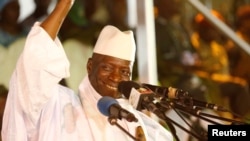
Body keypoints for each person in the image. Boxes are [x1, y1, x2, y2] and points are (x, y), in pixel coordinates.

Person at [1, 0, 174, 140]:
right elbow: (34, 65)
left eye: (124, 72)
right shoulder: (60, 106)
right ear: (90, 66)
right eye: (107, 67)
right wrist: (64, 5)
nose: (115, 77)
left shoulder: (135, 123)